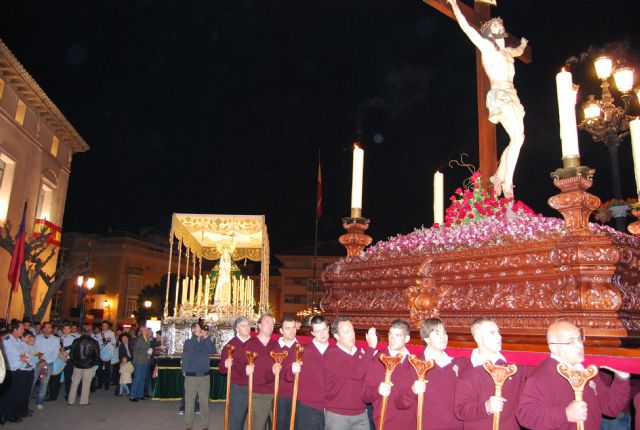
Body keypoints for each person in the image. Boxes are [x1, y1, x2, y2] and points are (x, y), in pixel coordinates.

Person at [447, 0, 528, 199]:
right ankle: (507, 182)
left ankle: (498, 176)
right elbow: (467, 28)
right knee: (518, 137)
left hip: (513, 95)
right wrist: (454, 5)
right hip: (500, 95)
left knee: (517, 138)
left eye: (501, 25)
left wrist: (523, 45)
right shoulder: (487, 47)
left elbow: (517, 51)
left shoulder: (508, 53)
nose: (500, 27)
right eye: (495, 26)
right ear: (489, 31)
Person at [516, 320, 630, 430]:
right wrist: (565, 414)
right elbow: (525, 415)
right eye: (571, 342)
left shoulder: (586, 371)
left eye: (580, 339)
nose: (579, 345)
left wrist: (622, 378)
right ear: (554, 347)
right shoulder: (542, 375)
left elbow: (610, 408)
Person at [454, 317, 528, 430]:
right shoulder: (468, 372)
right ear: (478, 338)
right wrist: (486, 407)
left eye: (498, 332)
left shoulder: (513, 368)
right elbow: (460, 410)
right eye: (492, 333)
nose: (499, 336)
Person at [399, 317, 470, 429]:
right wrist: (412, 390)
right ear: (426, 338)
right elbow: (399, 403)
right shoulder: (416, 366)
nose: (443, 337)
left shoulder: (459, 364)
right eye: (437, 333)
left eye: (444, 333)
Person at [323, 316, 378, 430]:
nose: (352, 335)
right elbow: (357, 373)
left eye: (352, 330)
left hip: (361, 413)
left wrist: (370, 359)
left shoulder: (358, 354)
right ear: (336, 336)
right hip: (338, 415)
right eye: (346, 332)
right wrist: (371, 347)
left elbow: (366, 377)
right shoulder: (331, 354)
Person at [362, 319, 416, 429]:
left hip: (411, 424)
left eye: (398, 335)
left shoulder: (415, 362)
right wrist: (378, 390)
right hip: (385, 424)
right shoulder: (378, 360)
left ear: (407, 338)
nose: (392, 339)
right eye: (390, 334)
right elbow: (365, 395)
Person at [285, 315, 330, 430]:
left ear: (328, 328)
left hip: (331, 408)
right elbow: (286, 376)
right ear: (313, 333)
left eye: (324, 329)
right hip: (308, 407)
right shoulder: (302, 351)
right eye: (318, 331)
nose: (322, 334)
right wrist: (292, 369)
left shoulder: (335, 351)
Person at [241, 313, 279, 430]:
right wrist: (245, 370)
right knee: (257, 426)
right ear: (259, 325)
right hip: (257, 393)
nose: (270, 325)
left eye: (272, 323)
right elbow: (239, 365)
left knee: (276, 425)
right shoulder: (250, 344)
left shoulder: (276, 345)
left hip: (275, 391)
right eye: (267, 322)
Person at [218, 316, 252, 430]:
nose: (247, 328)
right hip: (239, 388)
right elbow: (222, 369)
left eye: (248, 325)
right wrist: (225, 364)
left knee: (256, 420)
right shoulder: (230, 346)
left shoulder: (256, 343)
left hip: (257, 386)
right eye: (243, 326)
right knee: (236, 419)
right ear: (237, 329)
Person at [182, 321, 216, 430]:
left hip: (205, 376)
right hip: (191, 376)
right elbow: (191, 350)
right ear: (193, 330)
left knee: (204, 402)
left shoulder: (205, 341)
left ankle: (204, 425)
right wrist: (198, 338)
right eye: (198, 327)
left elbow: (212, 350)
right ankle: (188, 425)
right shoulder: (188, 342)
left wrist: (206, 338)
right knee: (189, 402)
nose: (201, 329)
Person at [0, 320, 34, 423]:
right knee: (10, 395)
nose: (23, 330)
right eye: (22, 329)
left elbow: (23, 353)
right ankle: (9, 415)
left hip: (20, 370)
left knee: (16, 394)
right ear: (15, 329)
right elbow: (4, 357)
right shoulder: (6, 340)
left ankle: (14, 413)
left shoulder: (18, 340)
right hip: (11, 371)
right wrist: (19, 357)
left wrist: (23, 358)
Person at [272, 316, 299, 430]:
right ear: (281, 331)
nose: (292, 331)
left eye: (293, 327)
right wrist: (272, 368)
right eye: (288, 328)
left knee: (296, 425)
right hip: (280, 394)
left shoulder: (301, 348)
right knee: (280, 425)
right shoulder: (273, 348)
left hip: (298, 395)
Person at [67, 325, 99, 406]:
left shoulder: (76, 341)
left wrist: (74, 362)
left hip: (77, 365)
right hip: (89, 366)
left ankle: (70, 401)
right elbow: (97, 356)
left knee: (74, 383)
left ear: (83, 331)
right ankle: (83, 401)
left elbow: (71, 354)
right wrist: (93, 363)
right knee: (86, 384)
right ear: (91, 331)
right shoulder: (94, 342)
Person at [34, 322, 60, 410]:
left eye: (49, 327)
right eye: (45, 327)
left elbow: (55, 353)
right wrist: (40, 359)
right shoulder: (36, 338)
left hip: (47, 365)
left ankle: (40, 401)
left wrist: (45, 361)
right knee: (32, 382)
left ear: (52, 329)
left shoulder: (56, 339)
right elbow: (34, 349)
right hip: (36, 363)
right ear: (42, 329)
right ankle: (25, 400)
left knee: (43, 383)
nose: (47, 329)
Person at [130, 326, 151, 402]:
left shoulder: (147, 339)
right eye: (144, 330)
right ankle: (132, 395)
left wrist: (149, 352)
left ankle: (139, 394)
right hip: (139, 361)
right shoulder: (139, 339)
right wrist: (147, 351)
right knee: (137, 378)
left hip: (145, 361)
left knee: (142, 378)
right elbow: (136, 350)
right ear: (141, 331)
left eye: (146, 330)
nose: (146, 331)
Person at [94, 320, 116, 391]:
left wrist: (109, 343)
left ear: (108, 326)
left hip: (108, 353)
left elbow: (114, 343)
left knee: (107, 370)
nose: (104, 327)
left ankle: (106, 384)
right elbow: (97, 344)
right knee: (100, 369)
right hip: (101, 353)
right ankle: (100, 384)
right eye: (102, 325)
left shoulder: (111, 333)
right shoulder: (99, 334)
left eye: (105, 325)